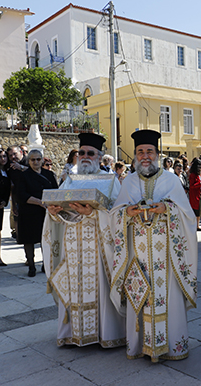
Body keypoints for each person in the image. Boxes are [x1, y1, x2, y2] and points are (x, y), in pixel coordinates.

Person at [108, 129, 198, 362]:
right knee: (139, 295)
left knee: (168, 297)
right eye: (140, 152)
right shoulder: (128, 181)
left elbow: (188, 216)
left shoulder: (171, 180)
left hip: (167, 256)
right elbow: (115, 214)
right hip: (137, 256)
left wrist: (167, 208)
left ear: (157, 154)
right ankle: (139, 346)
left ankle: (172, 347)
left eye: (149, 151)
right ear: (135, 156)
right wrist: (127, 212)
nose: (145, 156)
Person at [43, 132, 124, 348]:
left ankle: (105, 334)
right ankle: (73, 333)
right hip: (71, 247)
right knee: (73, 287)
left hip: (98, 248)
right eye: (82, 153)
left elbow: (118, 214)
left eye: (90, 153)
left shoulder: (110, 181)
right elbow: (57, 212)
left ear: (99, 157)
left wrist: (94, 213)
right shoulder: (69, 181)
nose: (85, 157)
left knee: (100, 288)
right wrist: (53, 213)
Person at [17, 150, 58, 277]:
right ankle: (31, 265)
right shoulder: (23, 176)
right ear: (29, 161)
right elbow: (21, 195)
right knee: (28, 240)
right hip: (29, 212)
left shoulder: (49, 174)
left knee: (46, 239)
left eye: (38, 159)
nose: (35, 162)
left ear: (42, 160)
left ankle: (46, 264)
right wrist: (40, 202)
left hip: (46, 212)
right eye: (33, 160)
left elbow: (56, 191)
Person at [188, 158, 201, 230]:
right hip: (195, 194)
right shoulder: (193, 175)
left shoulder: (200, 174)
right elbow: (192, 186)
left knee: (200, 210)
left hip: (200, 193)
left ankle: (197, 225)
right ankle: (194, 225)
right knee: (195, 210)